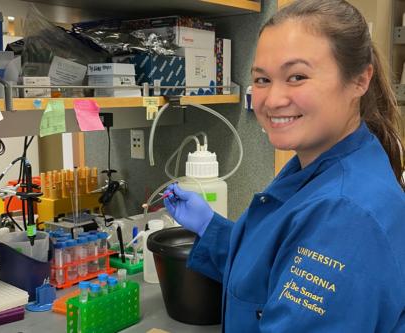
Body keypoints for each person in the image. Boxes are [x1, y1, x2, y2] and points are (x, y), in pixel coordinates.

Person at [163, 0, 405, 332]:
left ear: (360, 81)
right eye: (262, 80)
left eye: (297, 77)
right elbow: (274, 267)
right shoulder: (315, 165)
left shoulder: (346, 213)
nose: (273, 99)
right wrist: (211, 228)